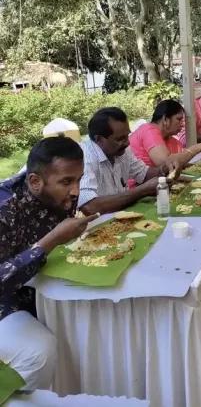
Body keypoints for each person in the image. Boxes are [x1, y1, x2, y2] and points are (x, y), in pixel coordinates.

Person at [0, 137, 98, 391]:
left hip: (43, 287)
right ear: (35, 181)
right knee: (39, 353)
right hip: (7, 300)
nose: (76, 191)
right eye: (67, 181)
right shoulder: (4, 209)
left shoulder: (60, 194)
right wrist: (50, 241)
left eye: (79, 179)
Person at [78, 107, 180, 216]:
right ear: (99, 139)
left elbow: (144, 174)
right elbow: (89, 207)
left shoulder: (123, 150)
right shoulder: (84, 157)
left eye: (127, 136)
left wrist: (165, 168)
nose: (127, 143)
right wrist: (141, 191)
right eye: (120, 139)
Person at [130, 100, 201, 167]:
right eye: (178, 119)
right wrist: (197, 148)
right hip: (136, 185)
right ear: (165, 119)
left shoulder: (171, 140)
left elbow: (178, 164)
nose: (182, 124)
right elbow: (166, 164)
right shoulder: (149, 130)